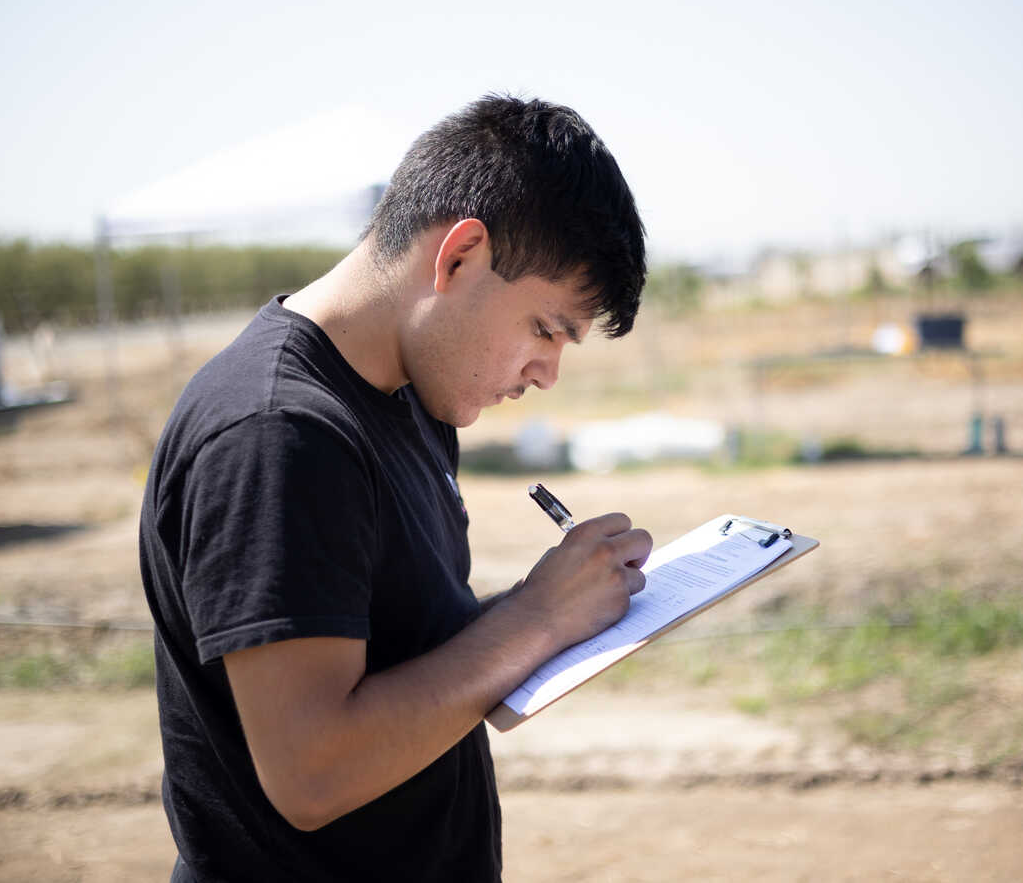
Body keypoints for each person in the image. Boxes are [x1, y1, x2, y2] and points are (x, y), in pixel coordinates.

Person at [139, 95, 653, 882]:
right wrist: (537, 619)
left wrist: (556, 608)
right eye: (546, 329)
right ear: (459, 257)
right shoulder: (279, 432)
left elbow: (404, 653)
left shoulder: (411, 398)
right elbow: (314, 771)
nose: (546, 372)